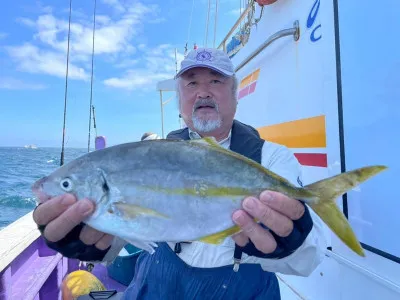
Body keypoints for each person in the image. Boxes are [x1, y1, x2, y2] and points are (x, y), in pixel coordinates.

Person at [32, 47, 327, 299]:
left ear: (235, 97)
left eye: (216, 80)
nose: (203, 92)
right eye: (191, 83)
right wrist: (83, 241)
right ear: (180, 101)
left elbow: (310, 259)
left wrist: (292, 242)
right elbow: (118, 241)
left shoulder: (272, 159)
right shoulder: (149, 154)